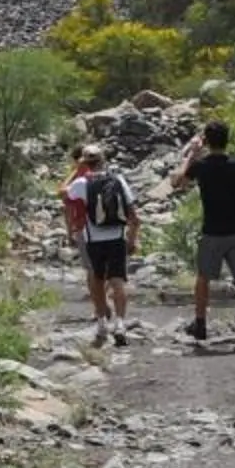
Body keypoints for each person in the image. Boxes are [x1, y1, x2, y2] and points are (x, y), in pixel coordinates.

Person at [174, 119, 235, 350]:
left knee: (203, 278)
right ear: (227, 138)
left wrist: (191, 153)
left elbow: (177, 182)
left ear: (207, 141)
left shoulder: (201, 166)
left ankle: (200, 324)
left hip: (211, 231)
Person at [63, 145, 137, 345]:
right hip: (117, 237)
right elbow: (133, 214)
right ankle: (120, 324)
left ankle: (102, 323)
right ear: (103, 160)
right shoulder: (118, 179)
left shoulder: (80, 183)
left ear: (85, 163)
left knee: (97, 280)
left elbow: (63, 195)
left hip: (94, 239)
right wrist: (132, 238)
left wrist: (75, 171)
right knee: (118, 282)